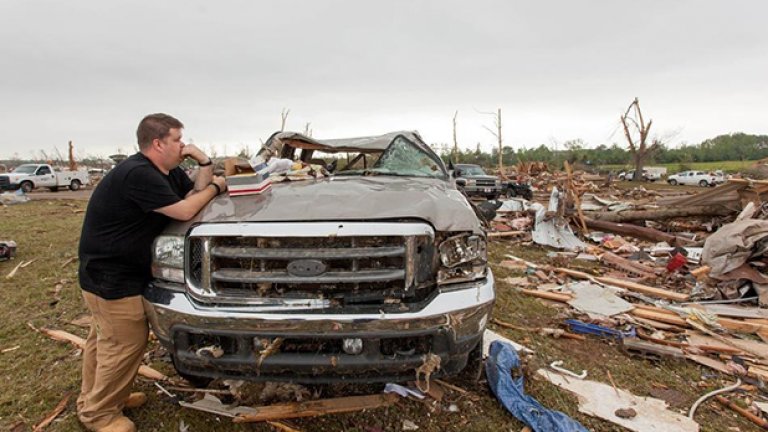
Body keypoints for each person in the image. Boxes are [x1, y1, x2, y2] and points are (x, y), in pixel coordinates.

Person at [76, 113, 227, 432]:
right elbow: (187, 210)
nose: (183, 145)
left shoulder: (164, 173)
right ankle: (99, 415)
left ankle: (96, 399)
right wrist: (216, 186)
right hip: (110, 277)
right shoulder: (138, 174)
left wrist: (204, 163)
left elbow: (190, 198)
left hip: (116, 272)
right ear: (158, 143)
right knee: (123, 343)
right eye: (177, 140)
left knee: (104, 341)